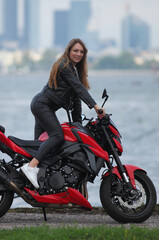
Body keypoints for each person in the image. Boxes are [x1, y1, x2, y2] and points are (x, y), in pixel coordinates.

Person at [21, 38, 105, 189]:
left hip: (42, 106)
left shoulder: (75, 70)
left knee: (39, 146)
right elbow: (79, 89)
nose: (78, 54)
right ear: (68, 51)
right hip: (42, 106)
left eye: (81, 52)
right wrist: (96, 107)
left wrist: (78, 125)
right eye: (75, 51)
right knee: (57, 135)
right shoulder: (64, 66)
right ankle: (30, 167)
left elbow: (77, 99)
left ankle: (36, 184)